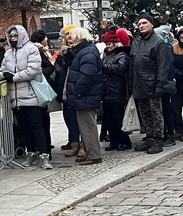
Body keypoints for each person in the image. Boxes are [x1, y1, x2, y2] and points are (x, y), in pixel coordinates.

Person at [0, 25, 51, 166]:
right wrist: (4, 75)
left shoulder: (31, 49)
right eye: (11, 37)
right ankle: (31, 153)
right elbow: (1, 70)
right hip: (16, 98)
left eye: (15, 36)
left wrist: (14, 77)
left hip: (32, 95)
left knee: (37, 126)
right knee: (24, 128)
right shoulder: (8, 54)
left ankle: (44, 155)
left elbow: (33, 70)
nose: (13, 39)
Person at [130, 13, 173, 154]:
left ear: (152, 24)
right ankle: (149, 137)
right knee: (144, 113)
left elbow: (163, 66)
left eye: (144, 23)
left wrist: (160, 84)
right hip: (139, 84)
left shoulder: (158, 42)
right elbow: (132, 64)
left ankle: (158, 139)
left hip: (152, 84)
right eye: (140, 24)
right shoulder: (136, 42)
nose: (141, 26)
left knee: (155, 113)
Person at [64, 27, 104, 165]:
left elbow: (87, 74)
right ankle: (89, 152)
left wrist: (77, 90)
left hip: (85, 95)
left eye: (72, 35)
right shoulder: (82, 51)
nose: (69, 37)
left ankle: (93, 154)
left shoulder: (87, 52)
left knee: (88, 126)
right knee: (84, 126)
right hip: (84, 95)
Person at [101, 28, 133, 151]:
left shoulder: (122, 54)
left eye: (109, 44)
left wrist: (103, 66)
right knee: (109, 118)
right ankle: (114, 141)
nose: (107, 46)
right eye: (106, 44)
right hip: (108, 91)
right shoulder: (108, 55)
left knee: (118, 118)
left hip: (117, 90)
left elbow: (120, 68)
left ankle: (124, 141)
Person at [53, 24, 80, 154]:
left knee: (76, 118)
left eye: (62, 36)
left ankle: (78, 143)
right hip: (64, 88)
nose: (61, 39)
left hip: (73, 89)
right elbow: (57, 64)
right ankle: (72, 141)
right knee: (68, 117)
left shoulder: (75, 51)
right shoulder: (62, 52)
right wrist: (59, 70)